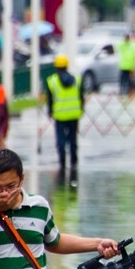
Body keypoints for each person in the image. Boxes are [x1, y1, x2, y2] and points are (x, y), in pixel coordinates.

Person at [43, 53, 83, 181]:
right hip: (74, 114)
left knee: (61, 141)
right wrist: (81, 110)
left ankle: (62, 162)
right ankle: (74, 162)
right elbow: (81, 97)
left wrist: (50, 112)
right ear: (66, 66)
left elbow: (50, 100)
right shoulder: (77, 79)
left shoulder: (52, 81)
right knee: (72, 140)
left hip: (59, 115)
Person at [116, 31, 135, 96]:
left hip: (131, 67)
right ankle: (121, 93)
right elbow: (116, 48)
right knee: (122, 81)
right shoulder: (122, 44)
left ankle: (130, 93)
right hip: (123, 66)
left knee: (130, 82)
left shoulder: (133, 45)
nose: (126, 38)